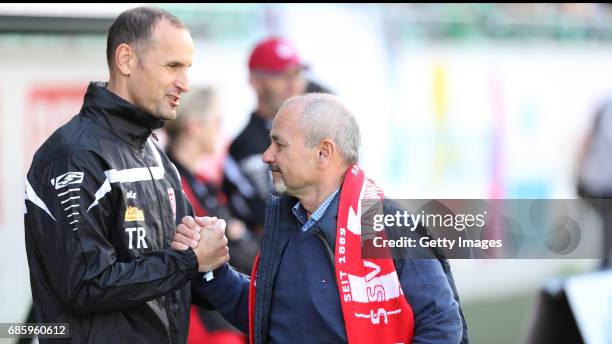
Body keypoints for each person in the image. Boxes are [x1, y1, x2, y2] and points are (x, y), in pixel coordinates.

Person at [175, 93, 469, 343]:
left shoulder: (387, 224)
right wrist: (214, 269)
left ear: (323, 153)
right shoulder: (287, 219)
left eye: (280, 145)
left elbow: (442, 327)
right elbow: (268, 314)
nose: (267, 155)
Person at [23, 7, 229, 343]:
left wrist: (211, 254)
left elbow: (176, 276)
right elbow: (84, 284)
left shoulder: (155, 153)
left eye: (187, 68)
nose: (185, 84)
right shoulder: (75, 155)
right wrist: (189, 260)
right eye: (173, 66)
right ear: (126, 60)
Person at [165, 87, 260, 344]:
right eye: (217, 120)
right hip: (202, 322)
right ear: (195, 127)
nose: (221, 129)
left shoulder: (202, 182)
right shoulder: (173, 185)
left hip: (224, 308)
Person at [223, 37, 310, 233]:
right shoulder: (246, 145)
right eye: (281, 75)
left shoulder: (318, 128)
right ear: (255, 82)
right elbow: (270, 220)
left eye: (297, 73)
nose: (293, 83)